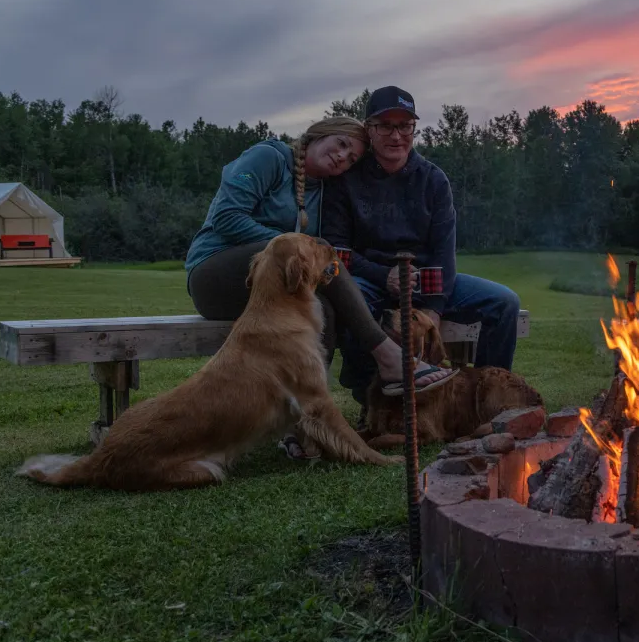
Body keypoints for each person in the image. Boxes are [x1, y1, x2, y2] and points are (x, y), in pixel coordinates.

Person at [183, 116, 457, 418]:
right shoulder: (270, 157)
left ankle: (306, 419)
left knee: (324, 309)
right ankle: (389, 357)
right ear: (318, 135)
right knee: (322, 251)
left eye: (351, 158)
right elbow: (227, 217)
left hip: (276, 284)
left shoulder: (324, 190)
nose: (342, 157)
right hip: (216, 276)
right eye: (341, 144)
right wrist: (298, 244)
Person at [321, 86, 521, 406]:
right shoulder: (347, 180)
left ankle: (486, 399)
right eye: (385, 126)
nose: (396, 135)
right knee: (350, 300)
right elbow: (336, 250)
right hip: (369, 278)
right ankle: (372, 400)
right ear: (369, 130)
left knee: (505, 303)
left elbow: (444, 251)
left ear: (414, 128)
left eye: (405, 125)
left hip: (426, 278)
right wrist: (381, 274)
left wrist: (434, 307)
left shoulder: (433, 180)